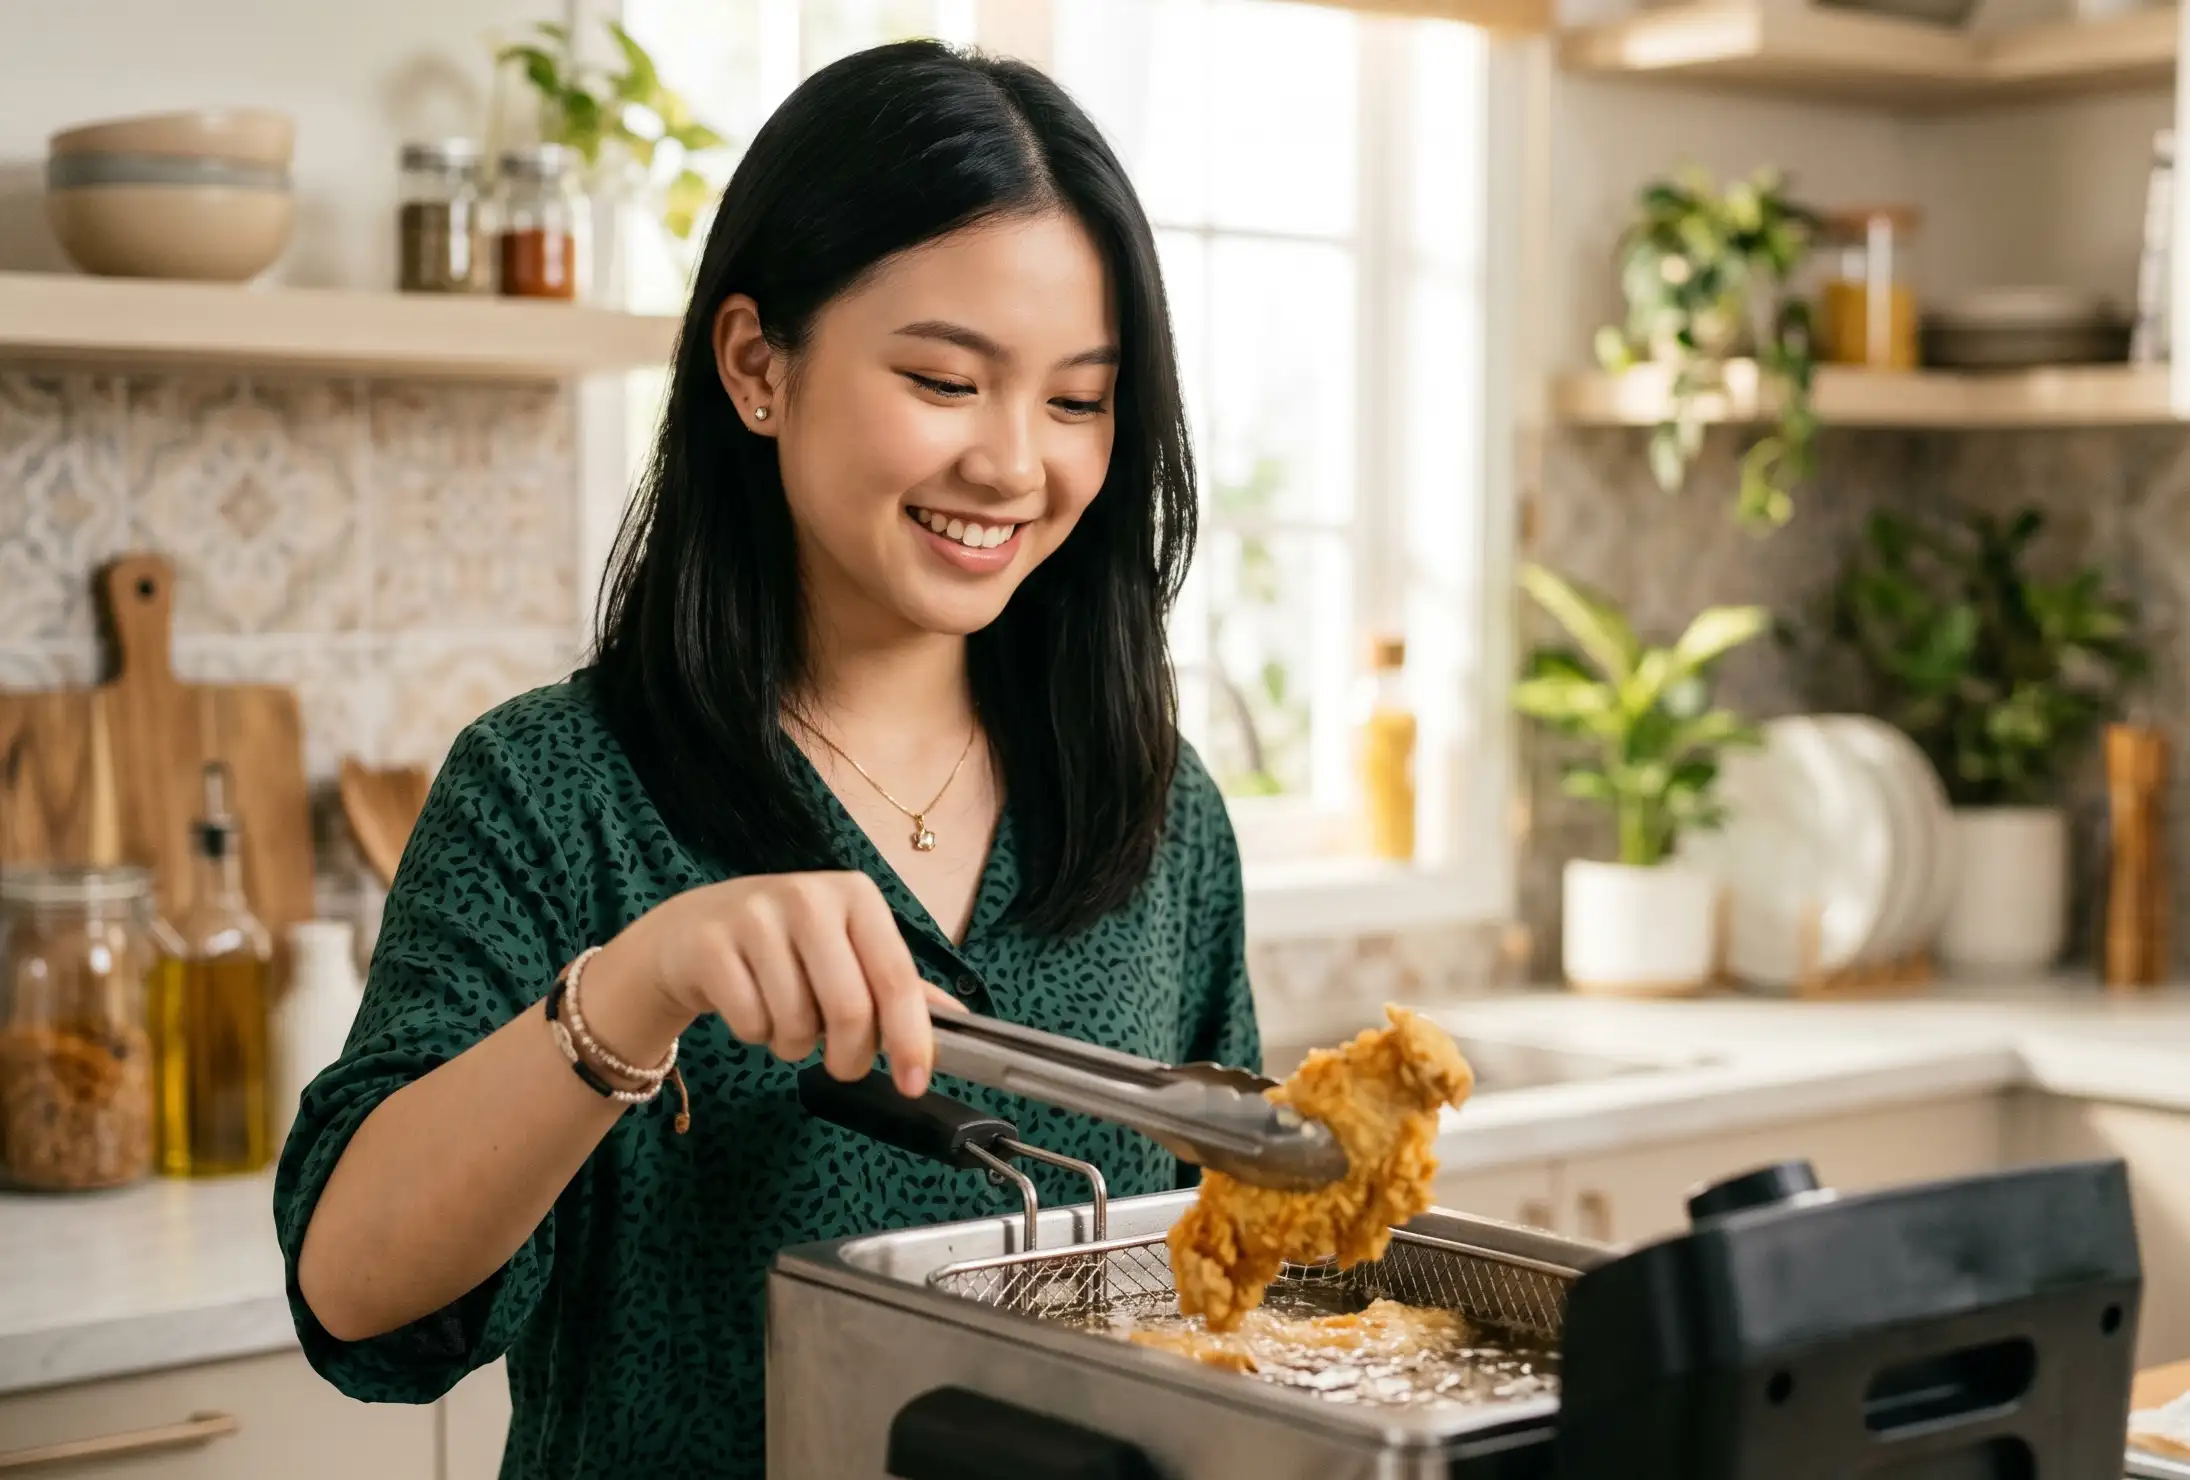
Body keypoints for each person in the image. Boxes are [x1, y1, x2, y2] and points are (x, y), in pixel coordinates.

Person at [275, 39, 1259, 1479]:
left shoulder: (1155, 814)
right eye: (943, 378)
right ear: (755, 364)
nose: (1012, 464)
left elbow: (1231, 1279)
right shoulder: (554, 790)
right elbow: (357, 1299)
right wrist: (638, 983)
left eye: (1074, 401)